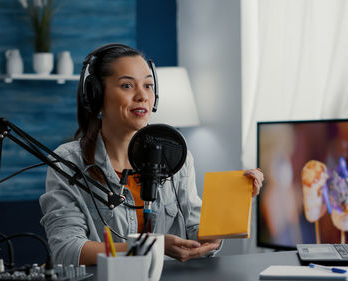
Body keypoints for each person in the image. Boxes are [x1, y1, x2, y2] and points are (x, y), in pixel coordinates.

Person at [39, 43, 264, 266]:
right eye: (127, 85)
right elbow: (67, 250)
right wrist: (153, 246)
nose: (143, 96)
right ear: (96, 95)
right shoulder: (68, 162)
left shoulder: (176, 155)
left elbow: (196, 234)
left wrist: (233, 204)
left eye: (148, 85)